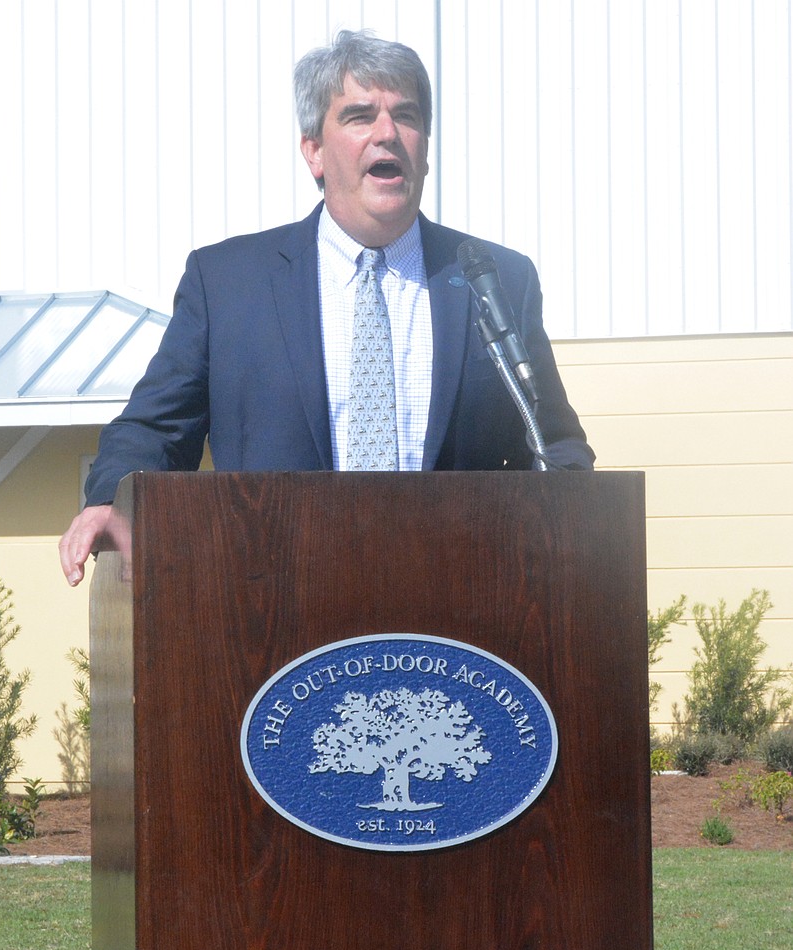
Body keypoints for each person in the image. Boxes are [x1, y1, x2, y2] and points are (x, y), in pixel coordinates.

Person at [59, 29, 593, 586]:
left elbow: (552, 440)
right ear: (314, 151)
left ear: (426, 150)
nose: (388, 133)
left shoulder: (494, 279)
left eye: (406, 116)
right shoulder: (228, 284)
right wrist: (110, 501)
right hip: (277, 612)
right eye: (361, 116)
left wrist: (574, 527)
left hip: (456, 612)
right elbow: (155, 430)